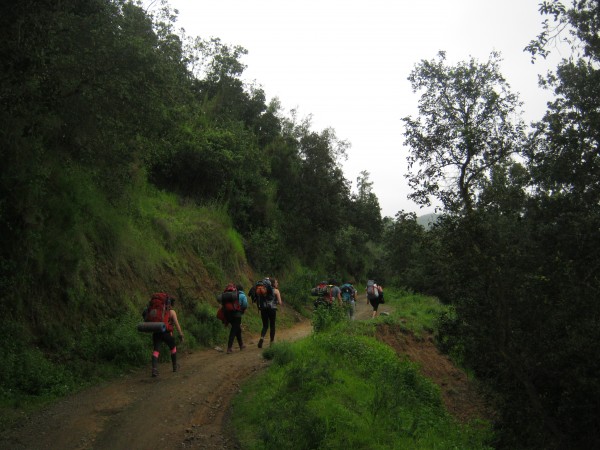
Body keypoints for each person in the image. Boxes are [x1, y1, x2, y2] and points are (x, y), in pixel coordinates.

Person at [150, 296, 184, 377]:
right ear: (171, 304)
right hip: (166, 333)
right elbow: (176, 324)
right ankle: (175, 366)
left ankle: (154, 369)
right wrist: (181, 334)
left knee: (156, 351)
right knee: (173, 348)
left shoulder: (157, 311)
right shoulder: (171, 312)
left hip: (156, 331)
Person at [258, 277, 282, 348]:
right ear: (273, 283)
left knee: (265, 325)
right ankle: (271, 342)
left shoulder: (263, 290)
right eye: (276, 282)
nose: (277, 283)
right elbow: (280, 302)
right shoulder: (276, 291)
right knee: (272, 325)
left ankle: (262, 338)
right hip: (272, 309)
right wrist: (276, 302)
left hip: (263, 309)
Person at [225, 284, 248, 354]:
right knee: (234, 330)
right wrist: (242, 309)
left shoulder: (230, 295)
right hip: (237, 315)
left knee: (237, 329)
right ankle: (229, 348)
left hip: (229, 315)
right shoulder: (242, 295)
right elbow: (245, 305)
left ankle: (241, 345)